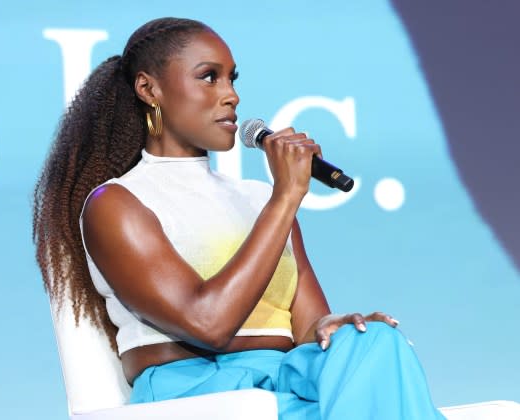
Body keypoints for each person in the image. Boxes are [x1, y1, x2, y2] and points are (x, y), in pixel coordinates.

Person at [33, 17, 445, 419]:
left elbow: (309, 332)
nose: (231, 96)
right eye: (209, 77)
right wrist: (286, 197)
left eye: (232, 79)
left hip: (285, 379)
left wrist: (338, 330)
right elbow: (208, 323)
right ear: (149, 88)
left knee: (375, 341)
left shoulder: (258, 198)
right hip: (198, 393)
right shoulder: (118, 202)